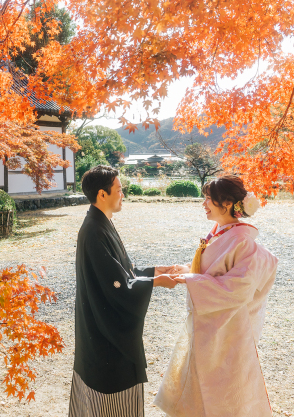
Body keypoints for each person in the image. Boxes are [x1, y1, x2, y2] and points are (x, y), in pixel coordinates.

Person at [154, 174, 278, 417]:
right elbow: (212, 273)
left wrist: (190, 279)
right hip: (209, 324)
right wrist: (187, 271)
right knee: (201, 384)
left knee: (223, 390)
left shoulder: (241, 240)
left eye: (209, 199)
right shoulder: (223, 232)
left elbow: (237, 290)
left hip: (228, 328)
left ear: (228, 203)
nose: (204, 204)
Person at [70, 165, 183, 417]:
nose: (123, 194)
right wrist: (158, 281)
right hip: (105, 334)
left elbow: (123, 272)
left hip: (99, 330)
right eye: (119, 190)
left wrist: (156, 271)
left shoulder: (100, 224)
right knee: (110, 399)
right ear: (102, 194)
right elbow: (118, 288)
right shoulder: (94, 231)